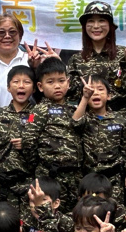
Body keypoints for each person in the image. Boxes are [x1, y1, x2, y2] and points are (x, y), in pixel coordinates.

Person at [65, 1, 126, 123]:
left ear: (110, 25)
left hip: (120, 120)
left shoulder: (124, 53)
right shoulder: (76, 59)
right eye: (91, 21)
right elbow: (71, 94)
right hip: (87, 122)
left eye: (101, 20)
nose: (96, 26)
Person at [21, 57, 84, 211]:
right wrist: (42, 165)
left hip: (74, 175)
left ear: (68, 83)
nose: (57, 86)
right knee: (49, 212)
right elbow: (28, 141)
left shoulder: (75, 109)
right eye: (50, 82)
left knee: (73, 214)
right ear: (40, 86)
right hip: (50, 174)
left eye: (61, 81)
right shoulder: (39, 110)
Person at [72, 74, 126, 209]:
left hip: (113, 177)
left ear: (109, 96)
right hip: (88, 177)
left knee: (113, 209)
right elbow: (75, 122)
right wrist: (85, 97)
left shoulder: (119, 120)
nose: (95, 93)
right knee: (89, 209)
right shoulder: (84, 118)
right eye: (91, 90)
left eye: (100, 89)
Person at [0, 65, 38, 208]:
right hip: (2, 183)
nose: (21, 86)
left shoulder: (38, 115)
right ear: (8, 87)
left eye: (26, 82)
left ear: (34, 88)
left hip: (30, 182)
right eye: (16, 82)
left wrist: (27, 144)